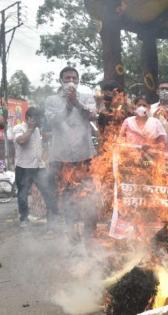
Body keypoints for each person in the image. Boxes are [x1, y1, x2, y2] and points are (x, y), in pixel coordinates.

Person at [44, 66, 97, 239]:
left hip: (85, 154)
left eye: (74, 78)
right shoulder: (51, 100)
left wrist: (76, 103)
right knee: (67, 194)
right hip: (62, 156)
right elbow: (52, 122)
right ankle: (72, 231)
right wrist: (67, 105)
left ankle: (90, 231)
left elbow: (92, 115)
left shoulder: (87, 97)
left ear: (78, 80)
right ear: (60, 81)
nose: (70, 81)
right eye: (67, 78)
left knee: (89, 191)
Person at [13, 107, 58, 228]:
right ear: (28, 118)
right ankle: (24, 219)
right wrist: (31, 128)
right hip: (23, 167)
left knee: (48, 191)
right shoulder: (18, 128)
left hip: (38, 167)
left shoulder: (37, 130)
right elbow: (21, 141)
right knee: (22, 195)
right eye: (36, 118)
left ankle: (52, 217)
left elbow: (41, 142)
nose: (39, 121)